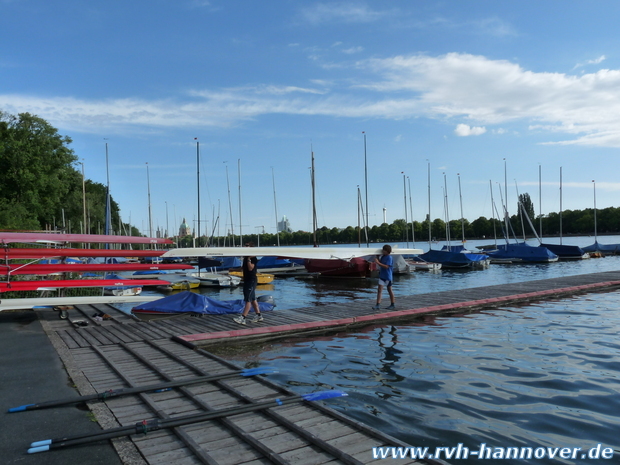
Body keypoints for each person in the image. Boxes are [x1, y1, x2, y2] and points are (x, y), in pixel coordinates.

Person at [233, 242, 263, 325]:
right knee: (252, 299)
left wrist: (249, 258)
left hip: (251, 280)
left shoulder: (253, 258)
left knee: (248, 300)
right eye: (244, 245)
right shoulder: (245, 258)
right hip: (247, 280)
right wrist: (232, 270)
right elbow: (243, 268)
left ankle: (243, 317)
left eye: (246, 246)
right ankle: (258, 315)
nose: (244, 246)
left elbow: (250, 268)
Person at [373, 244, 395, 310]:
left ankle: (392, 304)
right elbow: (381, 263)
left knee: (389, 290)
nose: (383, 251)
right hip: (382, 275)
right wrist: (377, 258)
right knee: (379, 290)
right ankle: (378, 304)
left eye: (384, 250)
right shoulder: (383, 257)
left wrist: (378, 262)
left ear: (387, 251)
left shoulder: (389, 257)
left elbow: (386, 266)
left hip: (387, 276)